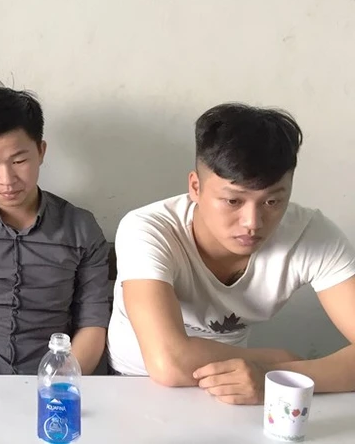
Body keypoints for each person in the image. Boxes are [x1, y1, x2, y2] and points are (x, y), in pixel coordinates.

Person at [108, 103, 355, 404]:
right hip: (134, 382)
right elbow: (168, 363)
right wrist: (277, 359)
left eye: (272, 202)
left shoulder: (311, 234)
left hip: (239, 386)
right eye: (233, 201)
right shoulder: (149, 229)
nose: (253, 223)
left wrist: (276, 376)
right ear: (195, 187)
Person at [0, 82, 111, 375]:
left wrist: (58, 386)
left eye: (19, 160)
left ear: (41, 151)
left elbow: (93, 325)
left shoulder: (81, 229)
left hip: (56, 383)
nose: (7, 179)